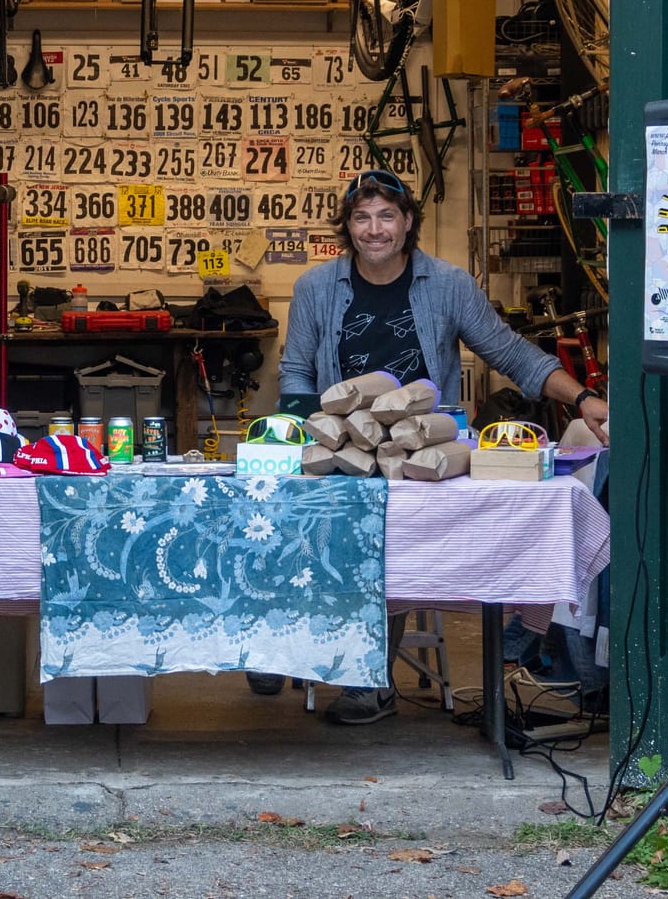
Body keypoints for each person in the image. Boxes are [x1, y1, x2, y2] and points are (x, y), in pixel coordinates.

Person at [255, 168, 611, 725]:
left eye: (386, 216)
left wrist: (584, 397)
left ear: (408, 223)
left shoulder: (446, 284)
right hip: (339, 447)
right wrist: (306, 440)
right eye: (361, 218)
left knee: (383, 539)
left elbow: (511, 354)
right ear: (347, 227)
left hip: (420, 452)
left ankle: (368, 680)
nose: (374, 230)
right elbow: (297, 371)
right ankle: (281, 641)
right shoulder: (315, 287)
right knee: (281, 514)